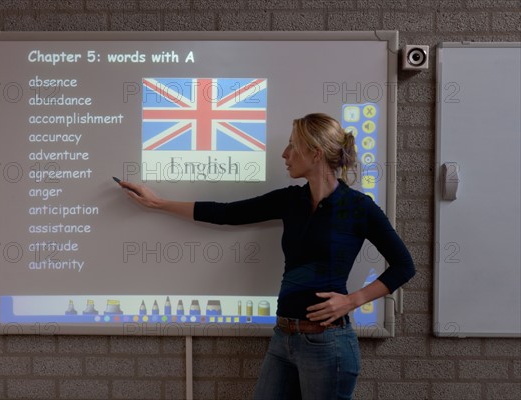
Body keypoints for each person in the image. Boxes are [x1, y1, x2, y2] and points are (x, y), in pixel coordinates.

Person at [119, 113, 416, 400]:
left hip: (328, 343)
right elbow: (225, 213)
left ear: (315, 153)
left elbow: (404, 266)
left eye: (292, 145)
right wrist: (158, 203)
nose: (285, 154)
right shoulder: (291, 200)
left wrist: (352, 301)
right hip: (284, 337)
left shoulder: (358, 208)